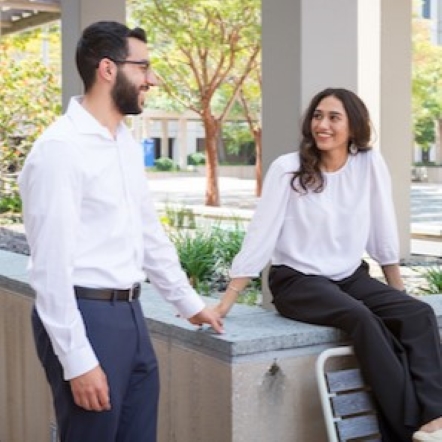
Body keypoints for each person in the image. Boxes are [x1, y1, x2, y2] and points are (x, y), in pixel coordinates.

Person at [18, 20, 223, 442]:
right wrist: (77, 360)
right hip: (85, 315)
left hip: (130, 313)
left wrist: (187, 302)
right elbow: (50, 267)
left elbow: (148, 232)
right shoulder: (61, 150)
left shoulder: (124, 142)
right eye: (143, 66)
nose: (152, 78)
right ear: (108, 69)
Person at [214, 87, 442, 442]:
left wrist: (395, 289)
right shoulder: (288, 168)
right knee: (362, 319)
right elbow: (262, 233)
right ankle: (409, 429)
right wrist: (228, 300)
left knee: (417, 314)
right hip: (297, 281)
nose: (323, 125)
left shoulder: (368, 163)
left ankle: (435, 417)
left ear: (353, 126)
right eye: (318, 116)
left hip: (349, 276)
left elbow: (382, 227)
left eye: (334, 117)